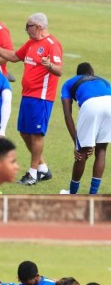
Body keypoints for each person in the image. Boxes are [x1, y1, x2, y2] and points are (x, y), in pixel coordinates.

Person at [0, 12, 62, 186]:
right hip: (27, 95)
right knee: (24, 132)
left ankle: (33, 174)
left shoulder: (52, 45)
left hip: (41, 97)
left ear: (39, 27)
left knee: (36, 135)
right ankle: (43, 168)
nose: (26, 30)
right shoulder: (31, 43)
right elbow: (14, 56)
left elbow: (59, 70)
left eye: (28, 27)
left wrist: (50, 66)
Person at [59, 62, 111, 194]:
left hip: (90, 105)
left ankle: (72, 193)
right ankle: (93, 194)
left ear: (79, 75)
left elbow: (67, 114)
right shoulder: (103, 80)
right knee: (101, 151)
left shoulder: (69, 83)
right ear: (92, 73)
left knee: (81, 152)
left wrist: (76, 142)